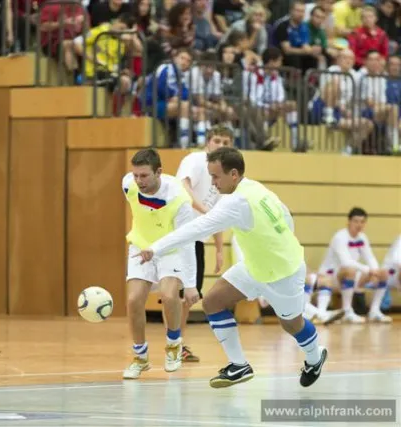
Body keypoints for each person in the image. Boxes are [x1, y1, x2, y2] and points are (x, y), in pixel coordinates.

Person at [133, 147, 328, 389]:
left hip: (283, 273)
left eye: (216, 177)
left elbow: (196, 228)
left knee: (292, 324)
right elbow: (287, 217)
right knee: (212, 302)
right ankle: (239, 365)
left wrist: (156, 248)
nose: (213, 183)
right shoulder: (255, 187)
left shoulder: (236, 202)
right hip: (255, 266)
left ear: (233, 174)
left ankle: (314, 357)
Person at [122, 148, 198, 379]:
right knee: (133, 300)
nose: (139, 181)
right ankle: (140, 357)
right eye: (136, 175)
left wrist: (191, 284)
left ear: (159, 172)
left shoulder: (179, 199)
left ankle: (174, 345)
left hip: (171, 250)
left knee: (169, 295)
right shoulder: (128, 185)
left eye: (144, 175)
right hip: (140, 246)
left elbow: (187, 241)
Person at [171, 125, 232, 363]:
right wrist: (205, 211)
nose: (221, 145)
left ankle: (178, 344)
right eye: (217, 140)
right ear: (208, 142)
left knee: (189, 296)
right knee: (174, 293)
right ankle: (172, 343)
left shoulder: (223, 174)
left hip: (196, 239)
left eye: (226, 142)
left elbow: (219, 211)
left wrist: (219, 248)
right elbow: (183, 187)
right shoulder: (195, 160)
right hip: (178, 234)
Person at [316, 207, 391, 323]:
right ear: (349, 222)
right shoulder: (340, 237)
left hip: (351, 276)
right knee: (350, 270)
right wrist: (369, 270)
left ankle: (374, 311)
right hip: (330, 277)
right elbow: (346, 262)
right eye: (356, 221)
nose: (359, 225)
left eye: (362, 222)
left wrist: (375, 271)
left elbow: (370, 257)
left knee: (383, 273)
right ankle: (347, 311)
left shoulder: (362, 237)